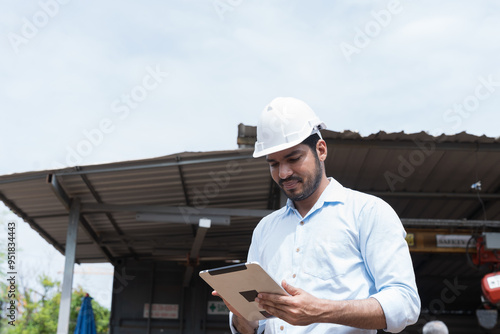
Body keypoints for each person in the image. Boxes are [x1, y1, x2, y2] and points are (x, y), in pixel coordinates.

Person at [214, 97, 421, 333]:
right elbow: (253, 327)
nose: (283, 173)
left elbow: (405, 304)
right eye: (273, 164)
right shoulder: (265, 229)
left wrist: (320, 310)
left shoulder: (368, 212)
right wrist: (242, 315)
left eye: (293, 159)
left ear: (321, 150)